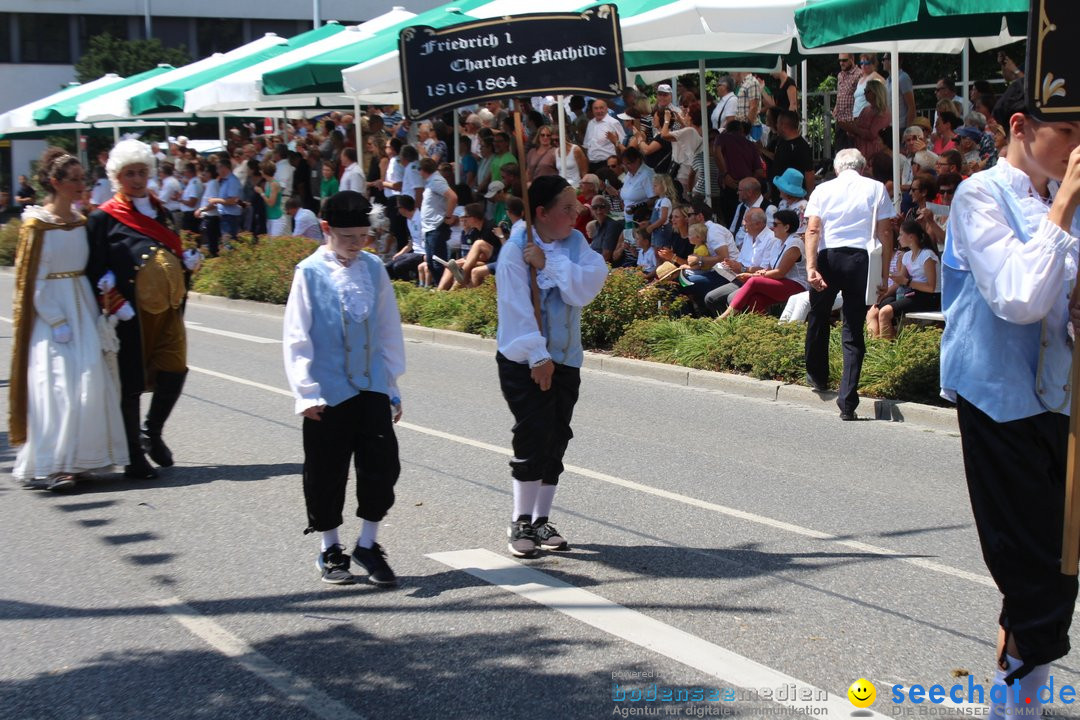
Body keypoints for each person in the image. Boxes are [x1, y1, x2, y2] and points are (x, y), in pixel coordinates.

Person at [940, 80, 1080, 719]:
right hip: (1001, 401)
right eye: (1069, 133)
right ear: (1020, 125)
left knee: (1058, 559)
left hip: (1060, 398)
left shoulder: (1060, 202)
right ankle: (1014, 709)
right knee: (1038, 573)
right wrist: (1066, 205)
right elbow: (1019, 298)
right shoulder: (979, 195)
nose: (1077, 151)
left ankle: (1015, 679)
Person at [283, 191, 405, 587]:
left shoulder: (374, 268)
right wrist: (306, 391)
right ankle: (330, 548)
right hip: (327, 391)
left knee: (382, 467)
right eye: (347, 236)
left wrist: (391, 385)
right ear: (325, 230)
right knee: (326, 471)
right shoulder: (308, 272)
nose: (357, 244)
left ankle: (368, 544)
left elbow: (389, 330)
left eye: (362, 236)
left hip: (370, 386)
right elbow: (296, 337)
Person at [495, 175, 607, 558]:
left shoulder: (574, 244)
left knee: (557, 436)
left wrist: (550, 264)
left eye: (576, 206)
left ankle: (541, 519)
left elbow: (589, 285)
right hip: (525, 359)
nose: (576, 214)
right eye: (567, 208)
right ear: (540, 213)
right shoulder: (515, 250)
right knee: (533, 434)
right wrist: (537, 355)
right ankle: (520, 520)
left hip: (567, 358)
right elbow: (516, 309)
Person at [9, 149, 128, 491]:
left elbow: (90, 265)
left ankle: (81, 460)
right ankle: (57, 463)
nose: (81, 185)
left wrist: (103, 283)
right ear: (55, 183)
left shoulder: (80, 222)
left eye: (82, 179)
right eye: (74, 180)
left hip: (83, 306)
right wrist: (55, 319)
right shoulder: (37, 226)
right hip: (54, 314)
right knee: (58, 385)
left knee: (89, 382)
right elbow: (32, 279)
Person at [86, 140, 203, 479]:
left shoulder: (161, 211)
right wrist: (114, 303)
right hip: (130, 314)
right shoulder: (102, 219)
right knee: (131, 382)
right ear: (117, 177)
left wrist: (186, 265)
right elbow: (94, 272)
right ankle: (133, 456)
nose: (137, 180)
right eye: (129, 174)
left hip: (168, 308)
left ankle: (152, 431)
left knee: (174, 369)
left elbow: (168, 253)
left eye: (141, 173)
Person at [804, 148, 895, 420]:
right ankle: (847, 402)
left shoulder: (822, 190)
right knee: (853, 329)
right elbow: (886, 231)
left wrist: (810, 268)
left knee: (818, 316)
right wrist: (884, 274)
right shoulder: (876, 188)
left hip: (829, 256)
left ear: (837, 168)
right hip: (861, 258)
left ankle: (817, 376)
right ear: (863, 167)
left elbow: (813, 229)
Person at [719, 209, 807, 317]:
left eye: (775, 224)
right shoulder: (778, 243)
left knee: (753, 282)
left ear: (786, 227)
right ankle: (764, 328)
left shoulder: (795, 244)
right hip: (781, 282)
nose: (772, 227)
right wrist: (754, 274)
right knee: (755, 299)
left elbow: (780, 273)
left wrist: (752, 275)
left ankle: (725, 317)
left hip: (797, 285)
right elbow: (770, 269)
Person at [261, 161, 286, 236]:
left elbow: (271, 203)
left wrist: (261, 193)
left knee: (274, 244)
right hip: (270, 218)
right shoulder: (268, 183)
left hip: (276, 219)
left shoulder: (274, 184)